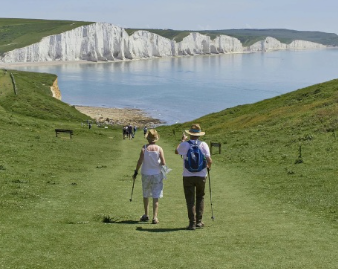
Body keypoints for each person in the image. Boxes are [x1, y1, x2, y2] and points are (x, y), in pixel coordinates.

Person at [175, 124, 212, 230]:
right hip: (201, 175)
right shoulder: (204, 145)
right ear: (199, 134)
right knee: (200, 197)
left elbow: (176, 151)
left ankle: (192, 223)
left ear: (189, 134)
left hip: (188, 175)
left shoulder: (185, 145)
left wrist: (182, 141)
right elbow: (209, 161)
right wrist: (208, 168)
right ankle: (199, 222)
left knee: (190, 200)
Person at [133, 129, 166, 224]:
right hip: (157, 174)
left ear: (148, 138)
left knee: (146, 194)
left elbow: (140, 161)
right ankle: (155, 217)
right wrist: (164, 174)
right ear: (156, 139)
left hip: (146, 174)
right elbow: (163, 163)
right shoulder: (159, 149)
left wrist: (136, 171)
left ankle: (146, 214)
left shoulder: (144, 148)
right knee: (156, 196)